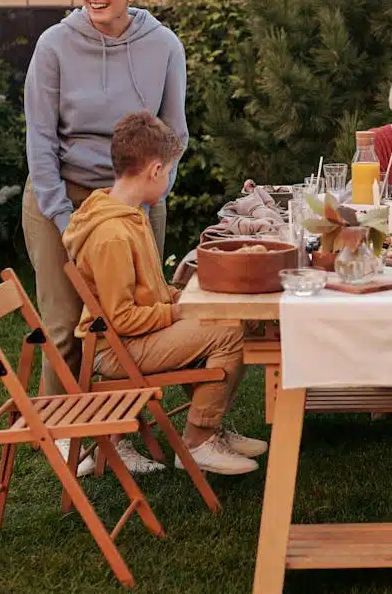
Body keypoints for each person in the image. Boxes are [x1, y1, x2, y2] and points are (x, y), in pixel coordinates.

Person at [22, 0, 189, 459]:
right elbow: (40, 139)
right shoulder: (54, 45)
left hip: (136, 196)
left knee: (131, 316)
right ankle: (67, 435)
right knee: (66, 323)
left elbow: (175, 131)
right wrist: (64, 214)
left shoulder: (163, 45)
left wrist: (152, 190)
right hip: (62, 193)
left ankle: (121, 433)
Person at [63, 111, 266, 475]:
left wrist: (180, 297)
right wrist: (179, 312)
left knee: (238, 319)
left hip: (137, 335)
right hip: (114, 350)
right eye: (169, 171)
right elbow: (120, 318)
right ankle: (198, 441)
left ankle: (212, 428)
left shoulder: (130, 214)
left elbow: (148, 292)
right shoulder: (112, 235)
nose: (168, 179)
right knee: (228, 333)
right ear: (154, 170)